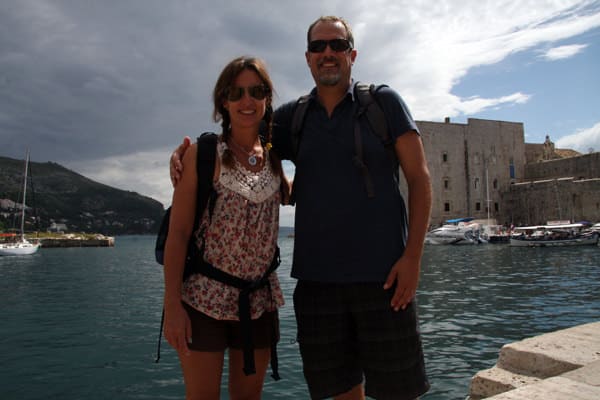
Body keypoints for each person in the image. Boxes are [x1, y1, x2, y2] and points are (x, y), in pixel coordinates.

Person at [171, 16, 431, 400]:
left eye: (337, 45)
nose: (328, 53)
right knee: (341, 392)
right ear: (308, 58)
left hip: (385, 279)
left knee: (398, 392)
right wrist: (185, 154)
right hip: (318, 285)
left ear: (352, 54)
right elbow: (242, 134)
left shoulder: (384, 104)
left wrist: (413, 258)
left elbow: (420, 179)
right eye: (319, 47)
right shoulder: (292, 119)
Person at [163, 56, 288, 400]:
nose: (247, 101)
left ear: (266, 98)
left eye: (256, 91)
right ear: (223, 101)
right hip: (204, 301)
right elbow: (178, 235)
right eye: (236, 92)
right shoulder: (203, 155)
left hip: (259, 302)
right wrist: (172, 308)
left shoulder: (274, 159)